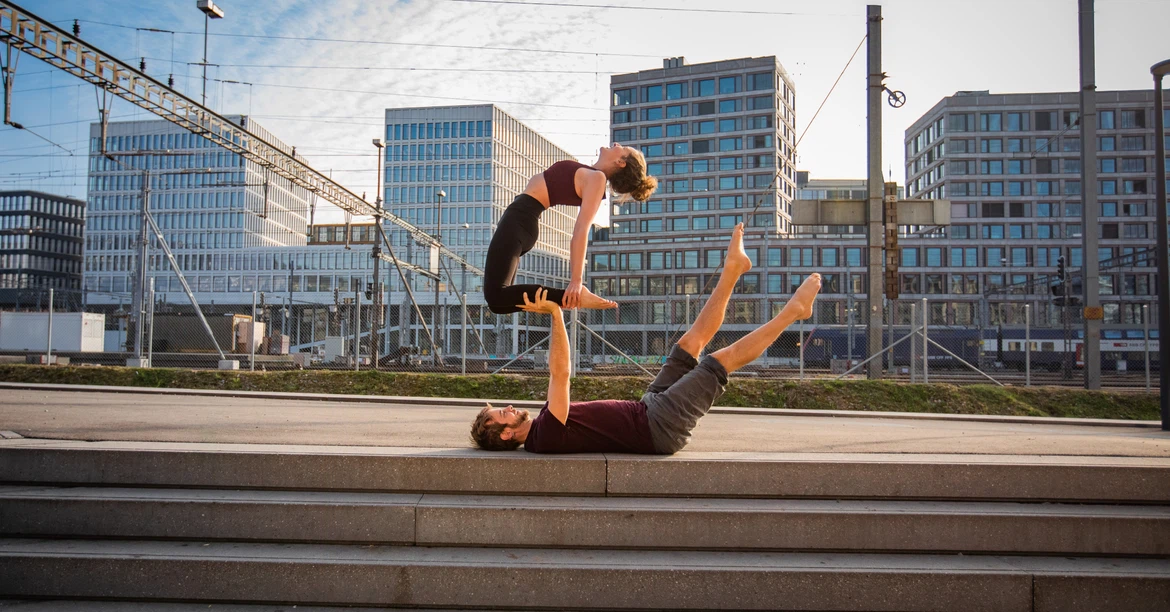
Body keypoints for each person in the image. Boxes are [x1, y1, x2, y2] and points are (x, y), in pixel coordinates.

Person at [470, 223, 822, 454]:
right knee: (719, 362)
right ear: (505, 434)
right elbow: (560, 374)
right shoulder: (544, 435)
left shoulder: (543, 425)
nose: (510, 407)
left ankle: (732, 269)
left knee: (689, 344)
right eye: (503, 413)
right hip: (660, 427)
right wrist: (555, 312)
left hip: (648, 408)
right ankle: (793, 312)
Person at [483, 143, 657, 314]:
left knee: (497, 295)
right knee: (497, 304)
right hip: (521, 221)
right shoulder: (591, 174)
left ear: (621, 162)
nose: (617, 144)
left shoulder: (597, 179)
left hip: (519, 220)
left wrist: (576, 281)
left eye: (623, 148)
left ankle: (570, 297)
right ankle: (557, 302)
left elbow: (582, 228)